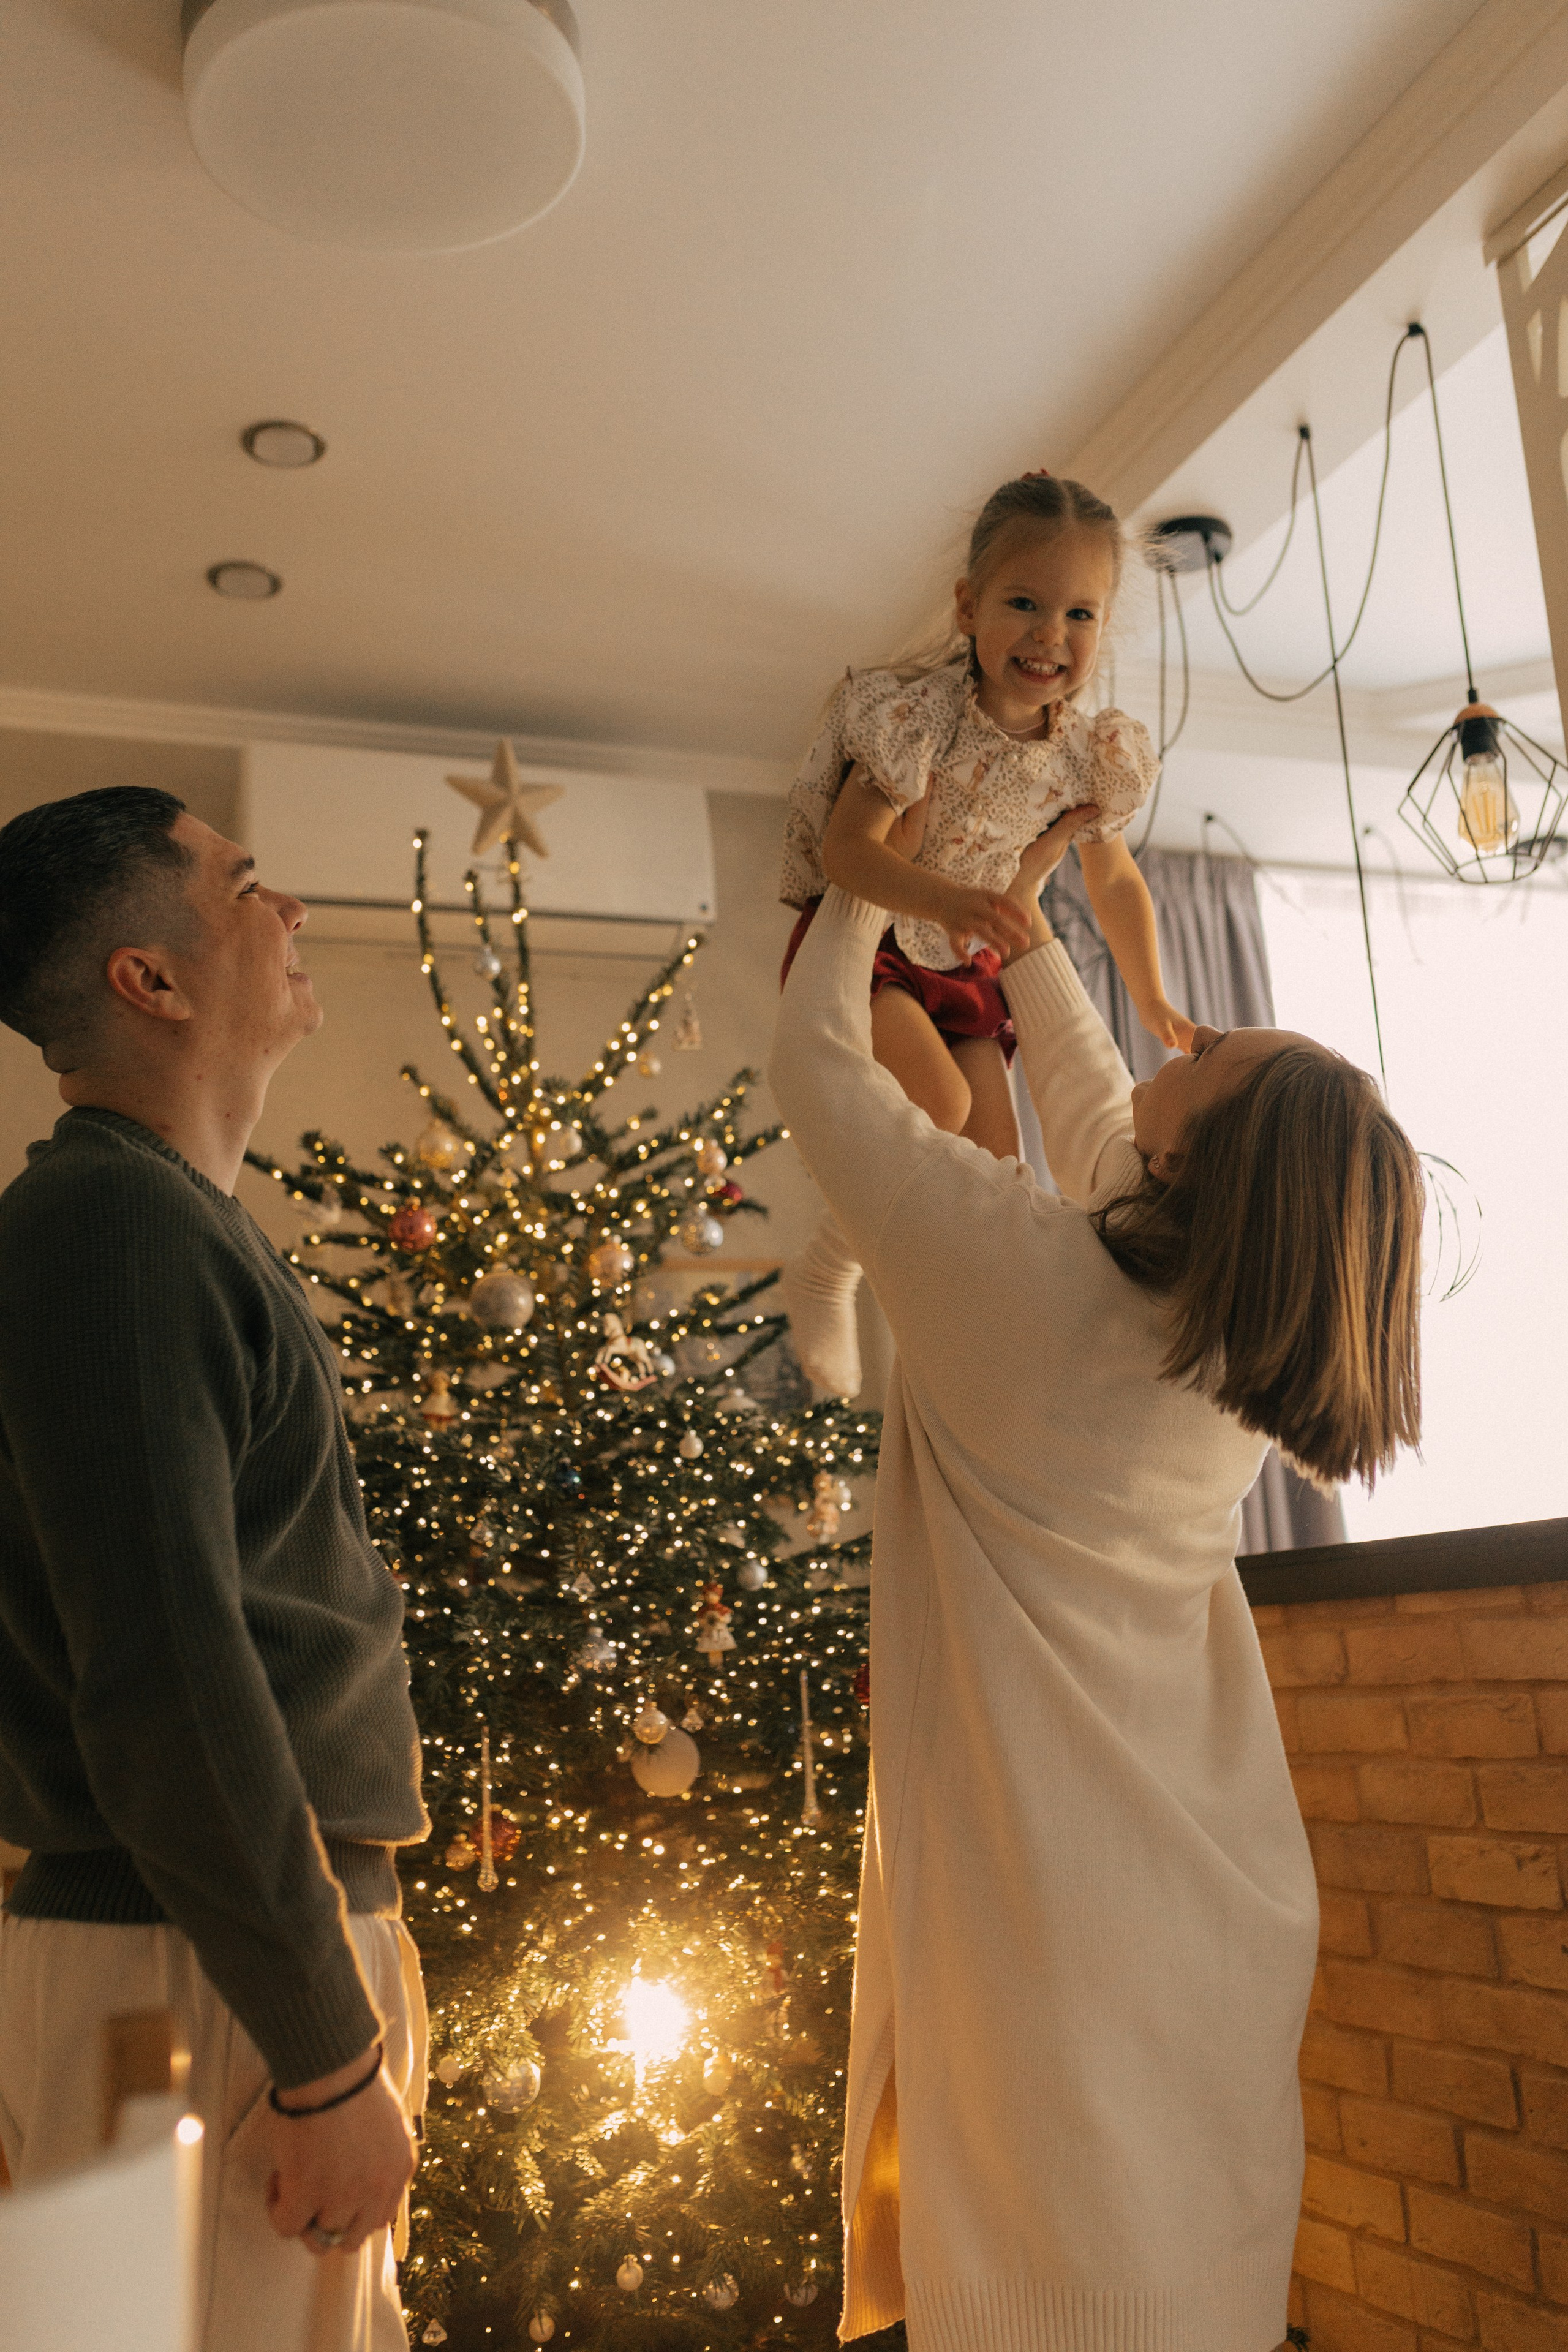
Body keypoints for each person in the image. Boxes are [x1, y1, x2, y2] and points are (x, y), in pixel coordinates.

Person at [767, 808, 1423, 2352]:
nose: (1168, 1044)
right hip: (1198, 1896)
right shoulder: (1223, 1349)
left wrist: (858, 888)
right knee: (1172, 2263)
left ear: (1206, 1152)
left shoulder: (1016, 1278)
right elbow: (1106, 1129)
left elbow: (818, 1074)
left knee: (1036, 2261)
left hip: (1048, 1902)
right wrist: (1022, 930)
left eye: (1202, 1053)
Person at [0, 787, 429, 2352]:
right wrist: (320, 2057)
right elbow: (170, 1673)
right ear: (150, 981)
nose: (291, 908)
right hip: (188, 1974)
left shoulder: (167, 1224)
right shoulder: (110, 1230)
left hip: (228, 1955)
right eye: (246, 885)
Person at [777, 469, 1193, 1396]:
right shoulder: (915, 721)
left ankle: (962, 1360)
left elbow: (1114, 879)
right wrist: (943, 900)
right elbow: (847, 851)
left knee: (999, 1176)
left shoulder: (1093, 755)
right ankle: (826, 1266)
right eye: (1024, 603)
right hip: (882, 943)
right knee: (940, 1106)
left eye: (1081, 615)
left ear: (1106, 625)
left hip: (968, 970)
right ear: (969, 608)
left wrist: (1153, 995)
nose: (1051, 635)